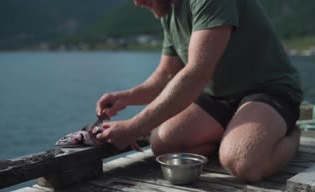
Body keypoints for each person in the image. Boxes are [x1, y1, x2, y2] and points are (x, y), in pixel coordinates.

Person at [96, 0, 303, 182]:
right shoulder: (168, 8)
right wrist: (126, 97)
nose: (137, 2)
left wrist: (134, 127)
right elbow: (167, 74)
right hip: (218, 96)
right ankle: (234, 134)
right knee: (163, 144)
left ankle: (289, 135)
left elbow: (197, 73)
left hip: (269, 90)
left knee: (243, 162)